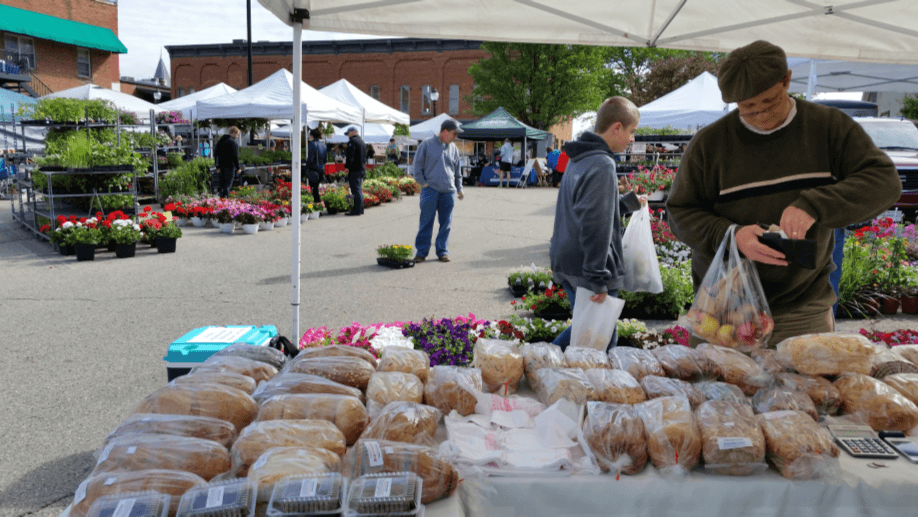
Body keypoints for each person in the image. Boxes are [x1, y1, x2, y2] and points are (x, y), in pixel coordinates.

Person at [665, 40, 901, 347]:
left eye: (770, 102)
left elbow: (884, 182)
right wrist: (732, 235)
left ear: (787, 80)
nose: (762, 116)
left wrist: (815, 204)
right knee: (718, 393)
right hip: (725, 310)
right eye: (748, 108)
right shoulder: (709, 144)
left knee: (813, 395)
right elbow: (679, 212)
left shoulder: (829, 127)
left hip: (803, 309)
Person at [550, 97, 643, 351]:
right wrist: (596, 278)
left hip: (568, 259)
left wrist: (628, 203)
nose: (632, 139)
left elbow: (585, 208)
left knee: (590, 330)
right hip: (586, 267)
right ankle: (538, 360)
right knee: (599, 339)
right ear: (616, 128)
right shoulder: (602, 163)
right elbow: (595, 223)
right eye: (631, 131)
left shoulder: (579, 157)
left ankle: (540, 359)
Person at [413, 120, 465, 263]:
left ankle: (442, 251)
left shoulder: (453, 148)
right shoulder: (426, 144)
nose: (455, 137)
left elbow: (457, 170)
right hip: (430, 191)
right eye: (454, 133)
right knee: (425, 222)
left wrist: (459, 188)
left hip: (448, 192)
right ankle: (421, 252)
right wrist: (423, 183)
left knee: (446, 224)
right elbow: (417, 166)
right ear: (445, 132)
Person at [344, 127, 367, 216]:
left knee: (355, 190)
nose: (348, 135)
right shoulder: (362, 141)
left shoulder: (353, 141)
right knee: (358, 189)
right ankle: (360, 209)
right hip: (361, 168)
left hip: (355, 169)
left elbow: (350, 156)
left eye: (348, 133)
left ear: (353, 132)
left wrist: (347, 167)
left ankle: (357, 210)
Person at [213, 126, 241, 198]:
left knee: (221, 184)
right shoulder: (233, 142)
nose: (237, 136)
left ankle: (220, 200)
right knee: (227, 185)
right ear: (234, 132)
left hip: (221, 167)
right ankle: (226, 200)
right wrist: (238, 168)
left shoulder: (220, 141)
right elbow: (235, 156)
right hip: (229, 166)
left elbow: (215, 153)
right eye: (237, 134)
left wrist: (217, 166)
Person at [304, 128, 327, 204]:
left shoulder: (312, 144)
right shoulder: (323, 144)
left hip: (314, 169)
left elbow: (310, 158)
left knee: (314, 190)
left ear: (311, 135)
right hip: (321, 169)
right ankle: (319, 205)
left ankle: (317, 207)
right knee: (317, 188)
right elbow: (325, 160)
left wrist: (306, 168)